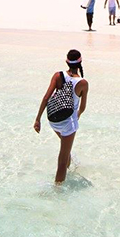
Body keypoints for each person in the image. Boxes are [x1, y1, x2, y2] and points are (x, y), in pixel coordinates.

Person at [34, 49, 89, 184]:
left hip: (53, 119)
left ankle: (68, 171)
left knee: (66, 150)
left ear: (66, 62)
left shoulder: (58, 75)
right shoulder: (83, 83)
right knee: (62, 159)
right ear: (80, 62)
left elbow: (46, 97)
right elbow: (82, 107)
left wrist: (38, 119)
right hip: (68, 122)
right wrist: (77, 116)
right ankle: (57, 190)